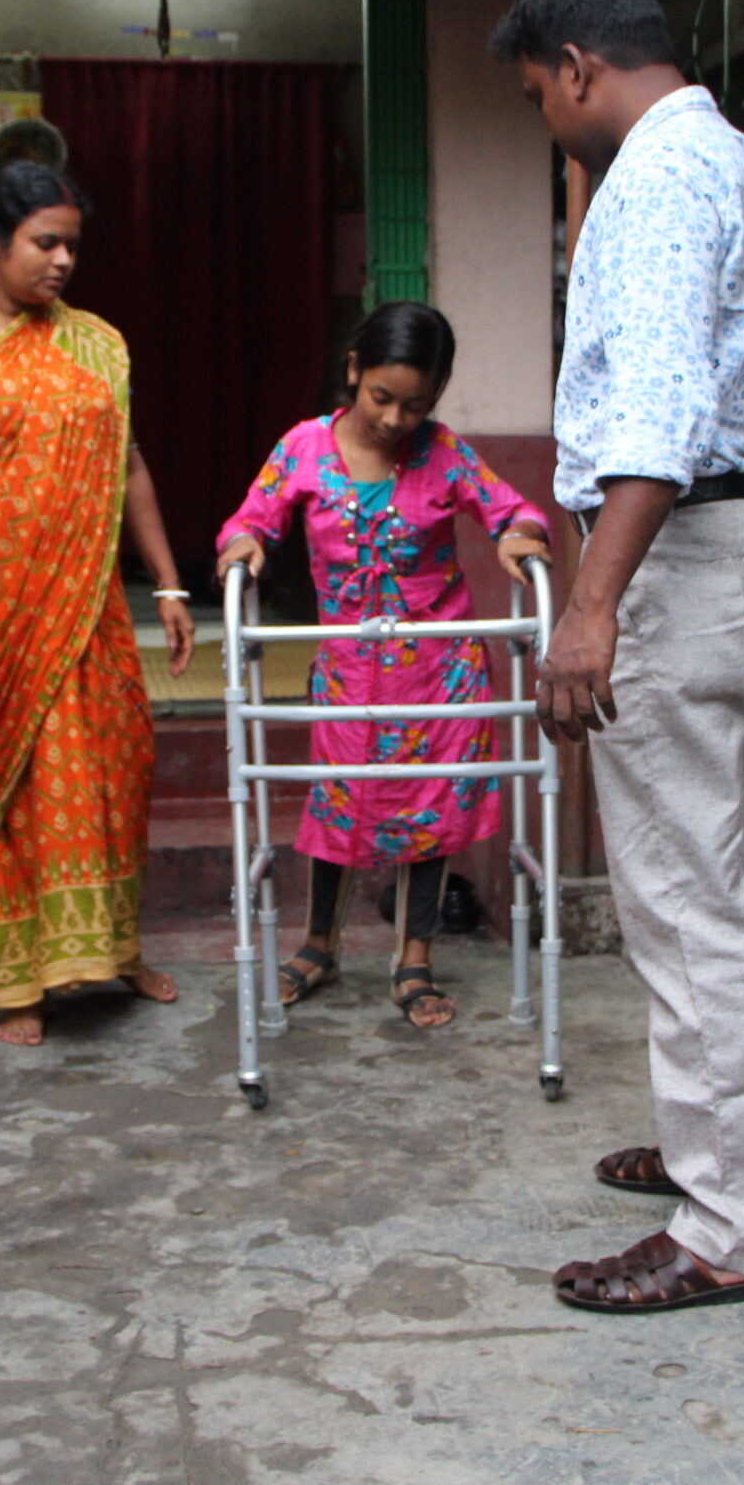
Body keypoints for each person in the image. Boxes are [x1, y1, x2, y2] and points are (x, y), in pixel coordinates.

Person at [490, 0, 744, 1313]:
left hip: (676, 556)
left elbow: (665, 411)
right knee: (694, 878)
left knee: (683, 894)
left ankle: (726, 1222)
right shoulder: (741, 164)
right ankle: (715, 1147)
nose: (546, 122)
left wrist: (594, 600)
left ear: (577, 66)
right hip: (715, 541)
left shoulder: (665, 178)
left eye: (537, 96)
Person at [0, 160, 198, 1047]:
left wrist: (167, 580)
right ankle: (20, 982)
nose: (61, 262)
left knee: (107, 767)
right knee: (18, 784)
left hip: (82, 600)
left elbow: (127, 468)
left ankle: (114, 951)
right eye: (43, 243)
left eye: (71, 246)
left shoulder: (94, 344)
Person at [215, 302, 551, 1029]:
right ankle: (318, 945)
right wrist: (244, 543)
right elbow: (253, 517)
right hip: (347, 668)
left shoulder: (445, 452)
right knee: (338, 798)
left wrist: (520, 535)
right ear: (353, 371)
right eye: (382, 398)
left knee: (426, 810)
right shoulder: (304, 447)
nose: (398, 418)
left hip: (440, 666)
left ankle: (414, 958)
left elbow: (511, 508)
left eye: (417, 404)